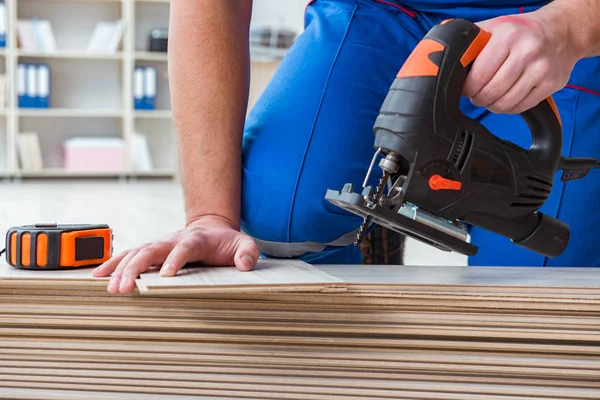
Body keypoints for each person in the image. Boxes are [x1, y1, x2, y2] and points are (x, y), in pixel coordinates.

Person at [94, 0, 600, 294]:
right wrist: (209, 216)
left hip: (552, 19)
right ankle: (377, 224)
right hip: (379, 11)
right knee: (278, 218)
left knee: (550, 284)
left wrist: (571, 28)